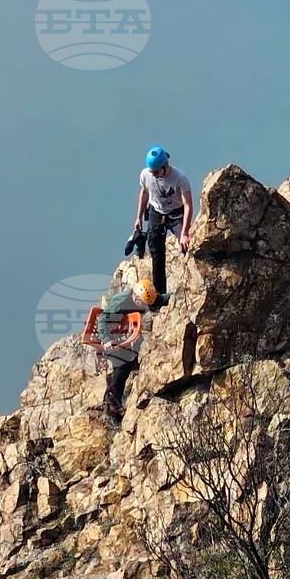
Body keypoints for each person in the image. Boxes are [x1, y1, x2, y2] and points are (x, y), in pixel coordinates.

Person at [97, 279, 161, 424]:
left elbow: (157, 299)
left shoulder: (139, 298)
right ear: (136, 297)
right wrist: (106, 339)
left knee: (129, 362)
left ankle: (112, 384)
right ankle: (113, 405)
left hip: (121, 331)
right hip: (107, 333)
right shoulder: (120, 303)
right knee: (123, 364)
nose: (144, 307)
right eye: (142, 304)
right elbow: (102, 320)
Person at [134, 146, 194, 295]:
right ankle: (159, 293)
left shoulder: (180, 178)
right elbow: (144, 193)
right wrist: (139, 218)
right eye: (151, 171)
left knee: (187, 246)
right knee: (156, 251)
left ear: (165, 166)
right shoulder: (146, 175)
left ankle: (190, 287)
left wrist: (185, 233)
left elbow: (188, 205)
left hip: (176, 213)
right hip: (156, 212)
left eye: (156, 172)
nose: (153, 175)